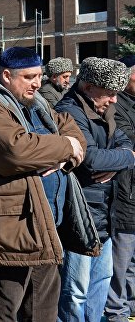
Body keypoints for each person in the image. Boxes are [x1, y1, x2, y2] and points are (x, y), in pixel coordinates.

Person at [0, 47, 87, 321]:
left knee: (43, 313)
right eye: (29, 77)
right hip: (10, 233)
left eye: (39, 76)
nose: (37, 83)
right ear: (6, 75)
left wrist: (65, 158)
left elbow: (70, 126)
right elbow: (15, 150)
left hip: (46, 226)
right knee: (1, 313)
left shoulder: (38, 104)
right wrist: (65, 146)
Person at [55, 57, 135, 322]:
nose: (114, 100)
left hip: (104, 210)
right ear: (88, 87)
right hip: (80, 213)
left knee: (102, 280)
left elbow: (125, 144)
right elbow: (90, 159)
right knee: (76, 289)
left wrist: (124, 157)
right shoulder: (69, 110)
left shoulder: (104, 109)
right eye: (110, 93)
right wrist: (126, 157)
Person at [106, 55, 135, 321]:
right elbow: (127, 142)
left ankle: (130, 306)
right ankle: (117, 311)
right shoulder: (116, 106)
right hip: (124, 192)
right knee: (121, 258)